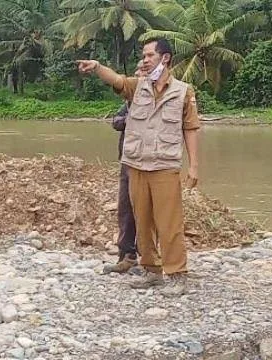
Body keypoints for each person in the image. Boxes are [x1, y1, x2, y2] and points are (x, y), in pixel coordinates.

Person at [77, 38, 201, 296]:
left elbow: (190, 129)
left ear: (164, 58)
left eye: (149, 55)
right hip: (136, 165)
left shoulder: (183, 92)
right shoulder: (138, 87)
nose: (144, 60)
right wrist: (98, 67)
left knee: (169, 223)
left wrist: (194, 167)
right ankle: (151, 271)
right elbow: (118, 80)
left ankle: (177, 275)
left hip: (165, 167)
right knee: (142, 221)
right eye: (143, 56)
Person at [103, 63, 145, 275]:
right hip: (127, 161)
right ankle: (127, 255)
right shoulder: (128, 103)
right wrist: (128, 120)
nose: (137, 75)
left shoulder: (157, 99)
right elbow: (116, 122)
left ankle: (150, 257)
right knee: (126, 209)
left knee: (147, 211)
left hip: (148, 163)